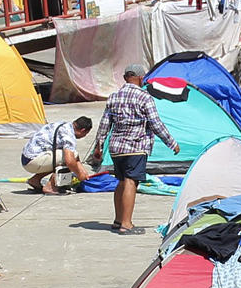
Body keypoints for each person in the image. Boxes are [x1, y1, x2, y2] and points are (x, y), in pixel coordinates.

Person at [94, 69, 173, 235]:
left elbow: (104, 123)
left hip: (116, 148)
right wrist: (171, 142)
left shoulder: (114, 97)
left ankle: (117, 220)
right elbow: (155, 123)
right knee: (131, 182)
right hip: (135, 146)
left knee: (122, 181)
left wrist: (99, 145)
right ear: (141, 78)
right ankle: (126, 224)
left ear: (125, 78)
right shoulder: (144, 97)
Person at [20, 116, 94, 193]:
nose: (84, 136)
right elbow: (70, 161)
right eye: (85, 134)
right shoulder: (69, 136)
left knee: (68, 154)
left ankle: (35, 180)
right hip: (33, 161)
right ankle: (50, 186)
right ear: (83, 130)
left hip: (27, 158)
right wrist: (79, 174)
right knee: (69, 157)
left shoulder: (63, 125)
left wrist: (83, 172)